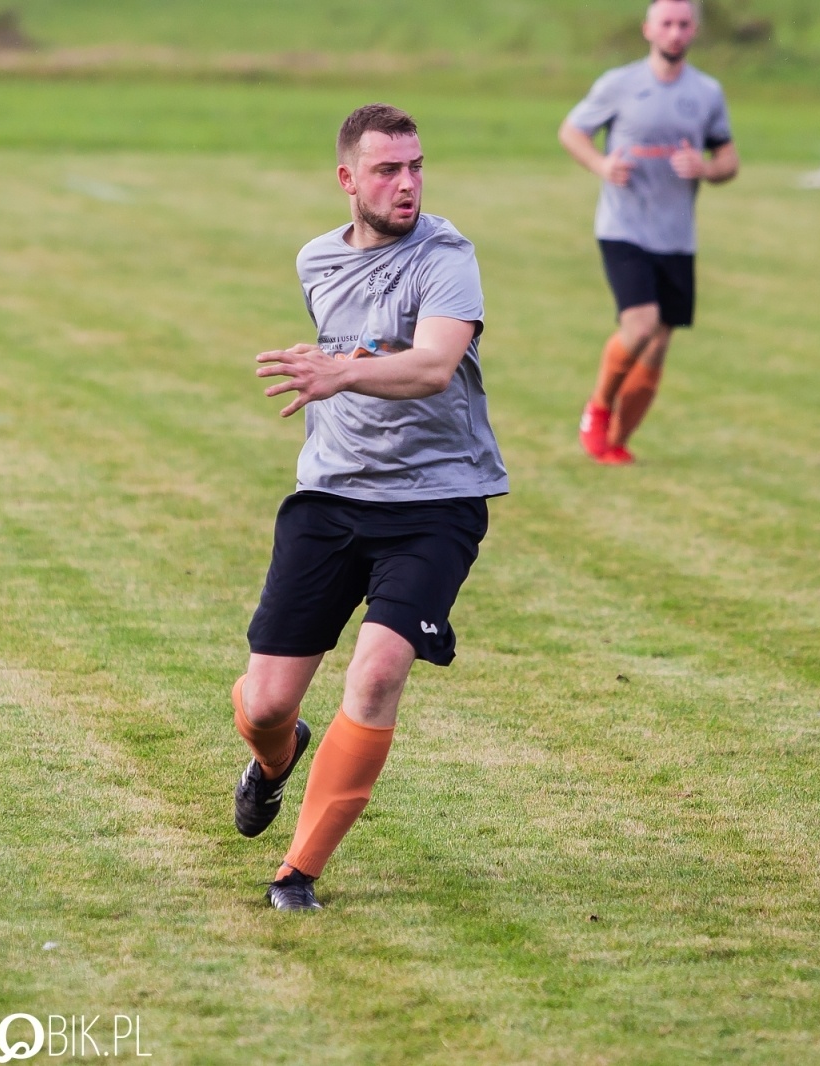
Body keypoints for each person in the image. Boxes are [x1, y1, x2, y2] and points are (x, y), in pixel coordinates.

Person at [235, 103, 507, 910]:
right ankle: (275, 762)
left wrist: (339, 371)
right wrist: (335, 369)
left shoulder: (448, 258)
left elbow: (431, 366)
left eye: (417, 166)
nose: (408, 184)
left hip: (436, 504)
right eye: (388, 169)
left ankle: (299, 872)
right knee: (268, 705)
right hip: (330, 498)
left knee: (380, 669)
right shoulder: (316, 259)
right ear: (348, 180)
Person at [562, 0, 740, 465]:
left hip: (677, 236)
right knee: (640, 326)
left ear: (694, 31)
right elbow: (572, 132)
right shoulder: (619, 84)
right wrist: (602, 164)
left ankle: (616, 442)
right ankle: (598, 407)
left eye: (684, 24)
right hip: (623, 227)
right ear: (648, 29)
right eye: (667, 23)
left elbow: (729, 161)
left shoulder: (706, 92)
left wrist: (706, 167)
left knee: (659, 343)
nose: (675, 32)